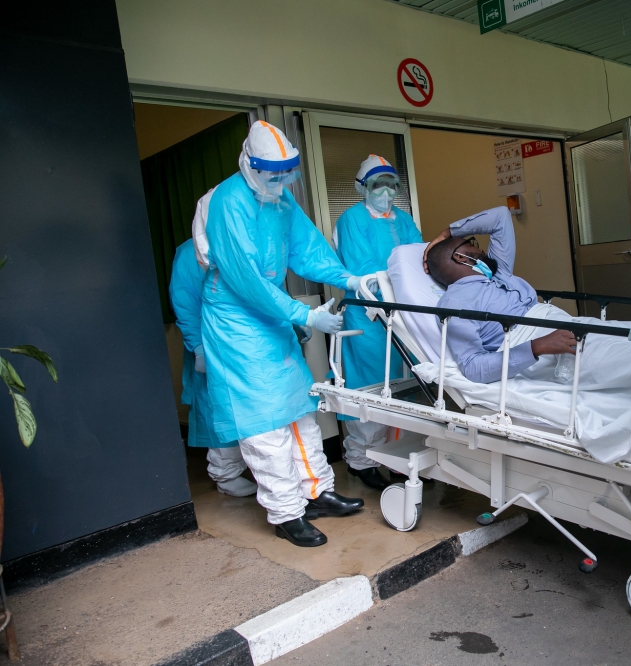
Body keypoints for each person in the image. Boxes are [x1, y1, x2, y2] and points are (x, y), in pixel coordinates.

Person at [201, 120, 365, 548]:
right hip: (236, 320)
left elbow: (307, 250)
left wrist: (349, 280)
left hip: (271, 314)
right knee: (264, 423)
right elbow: (245, 280)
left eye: (286, 175)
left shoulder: (279, 200)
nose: (280, 183)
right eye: (273, 176)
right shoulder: (228, 202)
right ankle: (286, 513)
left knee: (298, 410)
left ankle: (315, 491)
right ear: (250, 166)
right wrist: (304, 315)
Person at [334, 155, 423, 490]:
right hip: (367, 315)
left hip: (404, 313)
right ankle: (361, 460)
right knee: (369, 387)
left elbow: (419, 256)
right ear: (363, 188)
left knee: (406, 386)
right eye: (377, 185)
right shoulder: (352, 219)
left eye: (391, 186)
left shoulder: (403, 219)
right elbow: (363, 268)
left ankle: (401, 458)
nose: (385, 193)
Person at [423, 207, 579, 383]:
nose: (481, 248)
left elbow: (500, 216)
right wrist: (537, 346)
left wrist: (447, 233)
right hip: (539, 346)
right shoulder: (455, 302)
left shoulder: (499, 272)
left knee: (614, 341)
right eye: (471, 244)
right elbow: (472, 367)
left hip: (568, 327)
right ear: (459, 257)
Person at [169, 234, 257, 498]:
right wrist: (198, 348)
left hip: (244, 343)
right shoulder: (190, 253)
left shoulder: (240, 242)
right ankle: (226, 473)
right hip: (212, 345)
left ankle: (254, 466)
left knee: (250, 408)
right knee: (218, 409)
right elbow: (184, 301)